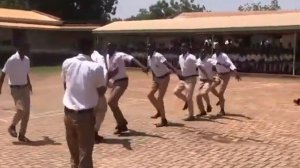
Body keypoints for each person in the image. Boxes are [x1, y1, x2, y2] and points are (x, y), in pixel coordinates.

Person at [62, 38, 106, 168]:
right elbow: (102, 91)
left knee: (74, 152)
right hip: (85, 115)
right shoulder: (96, 67)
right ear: (91, 50)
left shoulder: (67, 63)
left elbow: (66, 85)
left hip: (68, 113)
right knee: (85, 153)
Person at [106, 43, 148, 134]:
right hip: (115, 82)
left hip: (122, 81)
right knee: (112, 104)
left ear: (115, 47)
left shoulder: (119, 55)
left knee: (111, 102)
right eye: (107, 46)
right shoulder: (107, 57)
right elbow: (110, 70)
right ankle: (121, 122)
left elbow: (132, 58)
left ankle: (123, 125)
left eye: (111, 46)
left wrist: (142, 66)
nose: (108, 48)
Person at [0, 42, 32, 142]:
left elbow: (26, 73)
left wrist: (29, 84)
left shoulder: (27, 60)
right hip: (15, 88)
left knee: (26, 112)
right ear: (19, 49)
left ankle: (22, 135)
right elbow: (3, 73)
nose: (27, 50)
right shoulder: (12, 60)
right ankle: (12, 126)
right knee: (21, 110)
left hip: (25, 87)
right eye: (25, 48)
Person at [146, 43, 178, 127]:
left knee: (159, 98)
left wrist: (176, 71)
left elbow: (167, 63)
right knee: (150, 95)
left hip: (164, 77)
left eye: (150, 48)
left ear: (153, 49)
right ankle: (159, 111)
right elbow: (151, 68)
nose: (148, 49)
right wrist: (152, 76)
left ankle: (164, 120)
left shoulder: (158, 56)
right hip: (156, 78)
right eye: (147, 48)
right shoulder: (149, 57)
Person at [91, 49, 118, 143]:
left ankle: (93, 134)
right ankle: (93, 134)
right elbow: (103, 83)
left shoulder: (88, 69)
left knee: (93, 114)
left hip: (89, 96)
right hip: (97, 95)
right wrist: (110, 76)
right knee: (100, 111)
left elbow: (107, 82)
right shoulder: (98, 69)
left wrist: (111, 82)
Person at [211, 42, 241, 116]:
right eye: (215, 47)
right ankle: (221, 99)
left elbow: (230, 63)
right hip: (218, 75)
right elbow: (212, 65)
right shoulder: (213, 56)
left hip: (226, 75)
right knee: (211, 88)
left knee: (221, 92)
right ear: (214, 48)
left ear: (220, 47)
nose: (217, 48)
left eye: (218, 46)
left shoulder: (224, 55)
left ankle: (222, 110)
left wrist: (235, 72)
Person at [174, 43, 198, 121]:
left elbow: (198, 64)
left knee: (189, 97)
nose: (182, 48)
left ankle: (191, 116)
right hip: (183, 79)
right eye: (181, 46)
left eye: (184, 47)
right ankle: (186, 102)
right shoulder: (180, 56)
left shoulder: (191, 57)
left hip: (191, 79)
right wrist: (178, 74)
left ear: (187, 48)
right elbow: (179, 66)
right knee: (176, 92)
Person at [196, 45, 218, 117]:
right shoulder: (198, 60)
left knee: (203, 92)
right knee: (198, 96)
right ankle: (202, 111)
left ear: (206, 54)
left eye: (204, 53)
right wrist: (205, 73)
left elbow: (217, 63)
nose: (202, 54)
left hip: (209, 80)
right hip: (201, 80)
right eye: (201, 52)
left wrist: (223, 65)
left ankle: (208, 105)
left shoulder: (209, 60)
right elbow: (200, 67)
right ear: (199, 53)